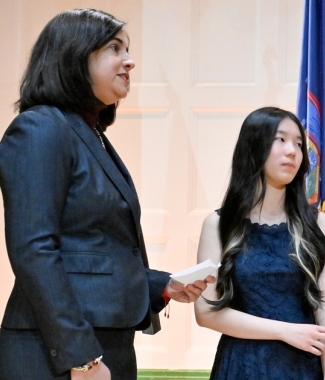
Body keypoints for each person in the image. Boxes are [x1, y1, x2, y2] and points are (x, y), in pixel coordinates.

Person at [0, 9, 212, 380]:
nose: (130, 61)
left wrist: (162, 285)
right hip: (58, 353)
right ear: (74, 55)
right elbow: (34, 251)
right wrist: (82, 358)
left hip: (102, 345)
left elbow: (93, 250)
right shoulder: (39, 128)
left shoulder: (89, 133)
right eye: (115, 47)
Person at [194, 107, 325, 379]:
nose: (293, 151)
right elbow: (206, 312)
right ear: (254, 146)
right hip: (241, 366)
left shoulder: (319, 224)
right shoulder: (218, 226)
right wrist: (285, 331)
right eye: (281, 139)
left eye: (298, 143)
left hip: (302, 367)